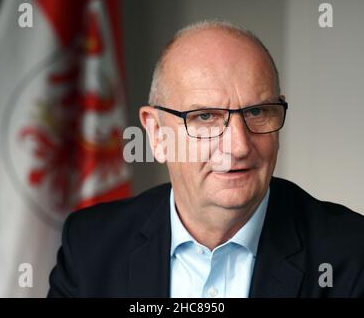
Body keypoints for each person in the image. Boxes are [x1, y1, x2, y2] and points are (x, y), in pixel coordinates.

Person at [48, 21, 364, 298]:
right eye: (206, 117)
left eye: (257, 112)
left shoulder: (350, 253)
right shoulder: (91, 245)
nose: (238, 146)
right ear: (157, 134)